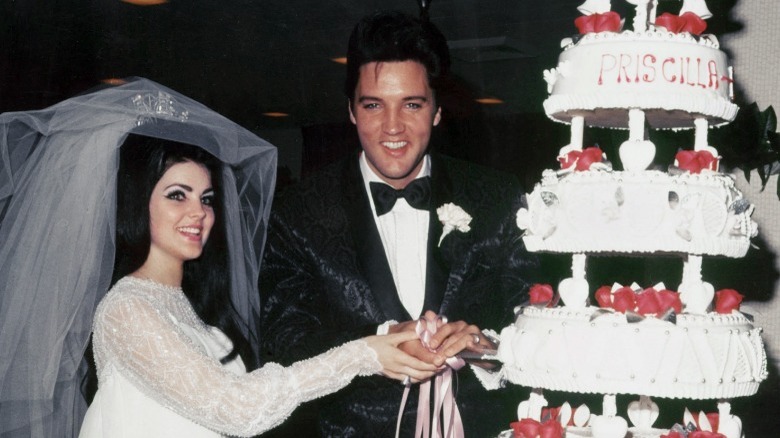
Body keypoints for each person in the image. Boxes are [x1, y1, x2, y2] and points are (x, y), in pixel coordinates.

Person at [0, 77, 436, 438]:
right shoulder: (125, 309)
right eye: (177, 195)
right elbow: (240, 410)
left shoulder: (190, 306)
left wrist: (386, 342)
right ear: (138, 204)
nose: (199, 213)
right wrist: (361, 355)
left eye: (206, 198)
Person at [259, 10, 537, 437]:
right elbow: (284, 339)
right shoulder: (297, 212)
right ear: (351, 111)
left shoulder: (497, 197)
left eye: (412, 104)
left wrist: (486, 347)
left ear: (438, 111)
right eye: (373, 105)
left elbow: (536, 320)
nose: (393, 127)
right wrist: (376, 342)